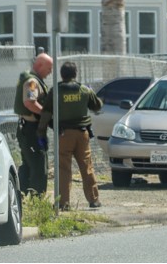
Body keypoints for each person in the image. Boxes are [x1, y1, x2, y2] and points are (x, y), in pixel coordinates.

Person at [37, 61, 103, 210]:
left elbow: (46, 113)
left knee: (64, 169)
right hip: (82, 134)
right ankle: (94, 200)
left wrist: (41, 132)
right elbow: (97, 106)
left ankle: (63, 203)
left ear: (62, 75)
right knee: (86, 167)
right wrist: (93, 93)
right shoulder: (85, 90)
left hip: (64, 134)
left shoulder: (56, 91)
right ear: (75, 74)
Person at [13, 52, 53, 197]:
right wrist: (47, 114)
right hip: (31, 131)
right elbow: (30, 103)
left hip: (31, 130)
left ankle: (20, 196)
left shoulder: (33, 79)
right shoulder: (31, 82)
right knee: (38, 166)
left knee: (28, 165)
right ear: (40, 65)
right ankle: (37, 200)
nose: (50, 73)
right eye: (49, 69)